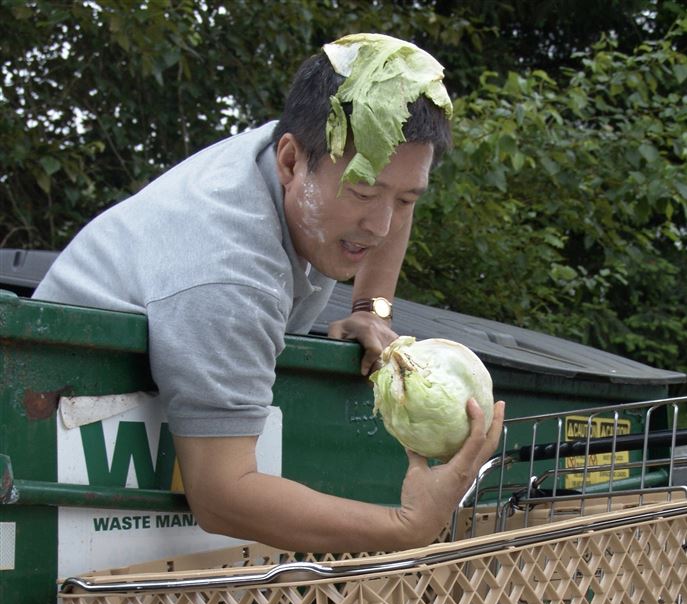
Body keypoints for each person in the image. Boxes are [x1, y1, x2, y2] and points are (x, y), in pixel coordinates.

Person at [33, 33, 505, 554]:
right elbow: (220, 495)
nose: (380, 224)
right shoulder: (229, 273)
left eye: (406, 196)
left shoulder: (313, 144)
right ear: (290, 163)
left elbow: (392, 199)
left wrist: (372, 307)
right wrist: (408, 526)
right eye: (364, 192)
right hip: (42, 440)